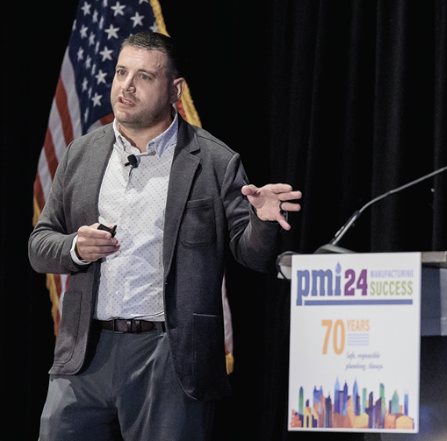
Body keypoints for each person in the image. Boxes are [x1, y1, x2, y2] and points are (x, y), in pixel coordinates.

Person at [29, 32, 302, 441]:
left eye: (143, 76)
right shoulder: (80, 153)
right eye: (121, 72)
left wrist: (262, 220)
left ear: (174, 90)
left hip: (170, 358)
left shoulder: (214, 161)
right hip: (84, 354)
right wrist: (75, 248)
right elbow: (39, 245)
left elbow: (252, 255)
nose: (126, 86)